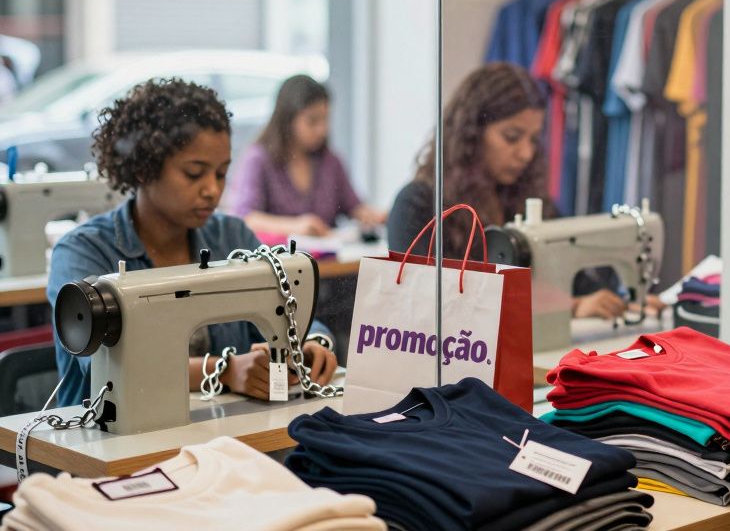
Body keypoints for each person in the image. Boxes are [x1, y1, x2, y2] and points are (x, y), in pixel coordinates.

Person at [48, 79, 339, 408]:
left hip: (217, 427)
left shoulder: (231, 236)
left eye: (221, 174)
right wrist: (224, 371)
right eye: (194, 173)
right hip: (108, 433)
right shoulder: (82, 252)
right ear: (144, 168)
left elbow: (290, 309)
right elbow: (105, 365)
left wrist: (312, 344)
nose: (212, 190)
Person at [388, 63, 639, 320]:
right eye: (511, 137)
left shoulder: (527, 200)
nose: (526, 154)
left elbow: (579, 282)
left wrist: (625, 302)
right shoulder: (417, 204)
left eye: (533, 140)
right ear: (472, 133)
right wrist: (569, 306)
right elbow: (428, 302)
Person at [230, 74, 386, 238]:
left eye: (325, 120)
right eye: (312, 121)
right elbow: (245, 218)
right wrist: (296, 226)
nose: (322, 130)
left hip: (328, 254)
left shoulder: (330, 162)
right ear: (288, 119)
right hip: (280, 254)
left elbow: (354, 207)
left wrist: (380, 216)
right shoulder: (258, 159)